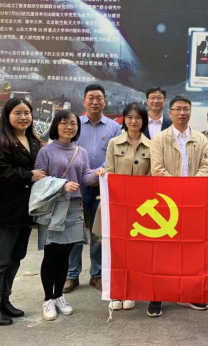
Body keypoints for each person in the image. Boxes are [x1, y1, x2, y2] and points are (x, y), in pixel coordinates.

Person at [0, 98, 46, 326]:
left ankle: (4, 300)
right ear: (7, 115)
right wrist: (28, 175)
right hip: (3, 211)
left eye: (27, 112)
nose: (23, 117)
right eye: (17, 113)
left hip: (24, 211)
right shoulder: (0, 142)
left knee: (15, 258)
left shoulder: (33, 141)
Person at [149, 94, 208, 317]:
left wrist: (190, 189)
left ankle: (189, 293)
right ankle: (157, 296)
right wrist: (178, 190)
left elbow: (206, 168)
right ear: (170, 113)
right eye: (178, 109)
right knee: (164, 251)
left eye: (186, 109)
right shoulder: (160, 139)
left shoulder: (201, 139)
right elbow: (157, 169)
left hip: (194, 202)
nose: (182, 113)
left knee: (191, 249)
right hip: (167, 203)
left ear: (190, 112)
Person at [35, 109, 98, 321]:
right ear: (56, 125)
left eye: (73, 123)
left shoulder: (80, 151)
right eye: (64, 123)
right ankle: (48, 299)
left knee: (65, 255)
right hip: (53, 208)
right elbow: (40, 180)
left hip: (73, 208)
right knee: (51, 254)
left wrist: (98, 175)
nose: (69, 127)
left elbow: (84, 177)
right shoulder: (46, 151)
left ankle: (59, 295)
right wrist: (63, 186)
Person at [93, 102, 152, 312]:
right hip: (116, 206)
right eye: (129, 117)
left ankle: (131, 291)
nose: (133, 121)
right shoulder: (114, 143)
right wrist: (103, 174)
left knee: (135, 251)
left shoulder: (152, 146)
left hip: (140, 208)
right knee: (115, 250)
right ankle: (116, 292)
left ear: (143, 121)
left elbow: (151, 178)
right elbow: (109, 170)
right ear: (124, 120)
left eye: (138, 117)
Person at [64, 85, 121, 294]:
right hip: (77, 186)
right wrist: (84, 174)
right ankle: (72, 274)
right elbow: (66, 150)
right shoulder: (74, 124)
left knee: (99, 231)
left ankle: (97, 274)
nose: (95, 102)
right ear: (84, 101)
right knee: (75, 230)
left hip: (102, 186)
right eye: (91, 98)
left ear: (105, 101)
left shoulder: (114, 127)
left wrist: (98, 173)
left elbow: (116, 155)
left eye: (99, 98)